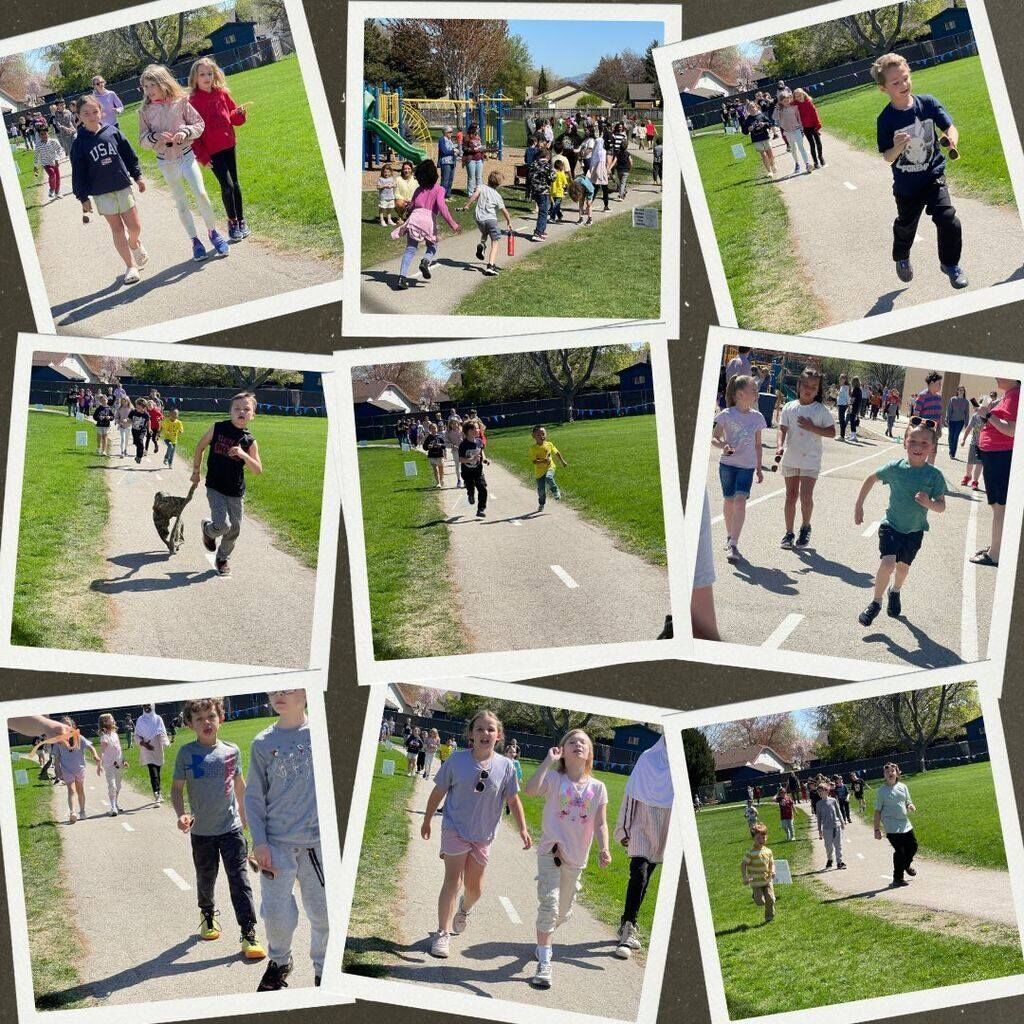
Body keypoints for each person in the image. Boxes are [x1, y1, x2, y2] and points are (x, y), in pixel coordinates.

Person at [421, 709, 530, 959]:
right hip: (455, 828)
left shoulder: (507, 766)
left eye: (491, 729)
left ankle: (464, 909)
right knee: (452, 881)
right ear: (471, 734)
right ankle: (442, 934)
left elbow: (513, 800)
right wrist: (427, 820)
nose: (485, 733)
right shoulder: (456, 761)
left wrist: (523, 828)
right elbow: (438, 793)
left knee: (475, 889)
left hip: (483, 835)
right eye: (479, 728)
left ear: (499, 736)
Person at [246, 688, 328, 990]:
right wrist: (260, 842)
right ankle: (280, 962)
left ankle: (324, 969)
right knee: (276, 914)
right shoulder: (262, 743)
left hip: (316, 845)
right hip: (276, 844)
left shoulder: (321, 735)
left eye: (288, 689)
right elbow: (254, 798)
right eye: (274, 689)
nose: (278, 695)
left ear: (306, 692)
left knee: (323, 913)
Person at [172, 698, 266, 960]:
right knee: (206, 878)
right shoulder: (186, 753)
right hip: (202, 833)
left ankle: (249, 933)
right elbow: (177, 789)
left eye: (211, 716)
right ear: (190, 723)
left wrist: (246, 817)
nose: (206, 722)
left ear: (220, 718)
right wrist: (182, 815)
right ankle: (207, 914)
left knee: (240, 881)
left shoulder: (231, 751)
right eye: (199, 719)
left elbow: (240, 786)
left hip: (231, 829)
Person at [523, 730, 610, 990]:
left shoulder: (598, 787)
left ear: (589, 753)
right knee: (549, 905)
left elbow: (601, 822)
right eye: (571, 741)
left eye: (583, 742)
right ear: (563, 750)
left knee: (562, 912)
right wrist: (547, 761)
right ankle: (545, 962)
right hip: (551, 850)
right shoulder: (554, 778)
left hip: (576, 857)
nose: (577, 745)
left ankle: (546, 937)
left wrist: (604, 848)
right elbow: (530, 790)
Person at [873, 52, 966, 289]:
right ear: (884, 88)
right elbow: (887, 156)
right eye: (896, 83)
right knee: (906, 226)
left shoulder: (928, 103)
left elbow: (950, 127)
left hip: (934, 176)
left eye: (905, 78)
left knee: (948, 219)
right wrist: (897, 147)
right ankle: (902, 257)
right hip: (907, 187)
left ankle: (950, 264)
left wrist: (951, 139)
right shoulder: (885, 120)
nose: (903, 84)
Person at [855, 419, 947, 626]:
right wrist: (859, 505)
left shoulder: (934, 476)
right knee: (888, 563)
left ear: (932, 448)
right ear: (905, 442)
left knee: (903, 569)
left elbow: (941, 506)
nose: (918, 447)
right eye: (913, 441)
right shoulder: (895, 468)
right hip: (891, 525)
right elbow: (871, 478)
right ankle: (876, 602)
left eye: (925, 443)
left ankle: (894, 591)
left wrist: (929, 503)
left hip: (915, 531)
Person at [138, 64, 230, 262]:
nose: (150, 90)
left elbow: (199, 124)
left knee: (201, 194)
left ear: (163, 83)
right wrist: (155, 137)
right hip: (166, 163)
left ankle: (213, 233)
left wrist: (185, 132)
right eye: (146, 87)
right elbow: (143, 140)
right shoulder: (144, 111)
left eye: (153, 85)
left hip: (187, 157)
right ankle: (195, 242)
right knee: (181, 202)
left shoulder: (181, 102)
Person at [70, 94, 148, 286]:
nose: (91, 116)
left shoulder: (112, 132)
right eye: (85, 113)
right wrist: (83, 198)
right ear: (78, 116)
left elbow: (129, 155)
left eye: (95, 111)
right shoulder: (79, 144)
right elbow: (78, 173)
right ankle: (130, 266)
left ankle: (134, 243)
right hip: (101, 192)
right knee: (117, 229)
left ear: (101, 112)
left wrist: (137, 176)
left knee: (135, 227)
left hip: (122, 186)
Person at [612, 735, 672, 958]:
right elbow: (631, 794)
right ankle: (628, 929)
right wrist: (624, 829)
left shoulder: (679, 765)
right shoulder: (647, 759)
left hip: (664, 827)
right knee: (639, 874)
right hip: (640, 824)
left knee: (646, 880)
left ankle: (629, 921)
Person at [192, 392, 262, 577]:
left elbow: (257, 470)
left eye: (246, 409)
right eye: (237, 408)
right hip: (215, 486)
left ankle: (222, 558)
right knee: (223, 525)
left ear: (253, 414)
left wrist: (244, 454)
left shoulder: (250, 441)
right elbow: (200, 447)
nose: (241, 412)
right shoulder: (218, 428)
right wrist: (196, 472)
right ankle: (209, 530)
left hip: (236, 491)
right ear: (230, 411)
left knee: (235, 528)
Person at [188, 56, 250, 240]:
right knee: (227, 186)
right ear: (195, 78)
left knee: (236, 185)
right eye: (202, 74)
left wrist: (239, 114)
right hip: (212, 151)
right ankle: (231, 222)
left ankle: (241, 220)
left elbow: (232, 117)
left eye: (209, 73)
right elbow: (193, 134)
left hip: (229, 145)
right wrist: (203, 157)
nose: (207, 77)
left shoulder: (221, 93)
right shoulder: (192, 101)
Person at [777, 367, 836, 549]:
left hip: (811, 459)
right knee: (791, 495)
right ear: (799, 385)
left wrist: (813, 428)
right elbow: (782, 429)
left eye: (813, 386)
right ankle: (788, 533)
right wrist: (779, 446)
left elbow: (832, 432)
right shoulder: (789, 407)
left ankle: (805, 526)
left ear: (818, 390)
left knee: (806, 496)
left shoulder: (820, 410)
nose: (809, 389)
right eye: (806, 385)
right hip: (791, 457)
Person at [713, 373, 766, 563]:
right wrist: (723, 446)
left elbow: (758, 445)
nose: (757, 393)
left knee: (740, 502)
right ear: (741, 394)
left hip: (747, 467)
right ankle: (729, 535)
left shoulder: (758, 417)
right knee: (729, 502)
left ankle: (734, 543)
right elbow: (714, 438)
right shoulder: (726, 415)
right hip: (727, 465)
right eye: (754, 390)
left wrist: (759, 468)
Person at [392, 159, 461, 290]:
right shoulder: (439, 189)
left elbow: (412, 205)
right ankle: (425, 261)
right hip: (429, 219)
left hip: (415, 218)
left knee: (410, 249)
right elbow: (442, 206)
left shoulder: (418, 189)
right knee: (432, 246)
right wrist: (453, 224)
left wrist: (407, 211)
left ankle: (402, 278)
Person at [972, 378, 1019, 567]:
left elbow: (1012, 430)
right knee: (998, 507)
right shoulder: (1009, 395)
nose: (997, 376)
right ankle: (996, 547)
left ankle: (995, 554)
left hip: (1001, 455)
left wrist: (988, 415)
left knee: (1000, 507)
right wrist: (987, 415)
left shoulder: (1015, 395)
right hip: (996, 455)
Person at [874, 762, 917, 888]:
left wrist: (910, 805)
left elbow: (908, 801)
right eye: (887, 772)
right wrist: (877, 829)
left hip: (905, 824)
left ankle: (906, 865)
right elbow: (877, 811)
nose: (890, 773)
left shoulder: (903, 787)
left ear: (897, 773)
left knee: (913, 846)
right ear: (884, 775)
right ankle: (897, 878)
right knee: (900, 851)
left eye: (893, 771)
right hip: (891, 826)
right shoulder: (881, 791)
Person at [462, 170, 513, 277]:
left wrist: (467, 205)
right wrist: (508, 221)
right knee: (495, 241)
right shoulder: (497, 195)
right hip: (491, 219)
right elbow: (504, 211)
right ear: (498, 184)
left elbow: (475, 195)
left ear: (488, 179)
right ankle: (490, 266)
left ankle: (482, 244)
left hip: (479, 219)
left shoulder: (481, 187)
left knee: (485, 232)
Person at [53, 717, 100, 823]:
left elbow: (91, 747)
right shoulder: (58, 741)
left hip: (79, 768)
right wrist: (58, 771)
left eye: (68, 725)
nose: (66, 727)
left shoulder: (79, 737)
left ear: (73, 726)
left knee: (80, 790)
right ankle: (72, 812)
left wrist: (95, 756)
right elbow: (56, 758)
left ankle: (82, 811)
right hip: (66, 769)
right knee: (71, 790)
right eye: (63, 725)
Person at [740, 823, 776, 923]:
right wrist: (745, 877)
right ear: (753, 839)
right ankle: (756, 896)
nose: (761, 840)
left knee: (771, 899)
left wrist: (773, 870)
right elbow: (743, 865)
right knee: (761, 902)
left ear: (766, 837)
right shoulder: (750, 852)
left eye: (763, 837)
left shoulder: (768, 851)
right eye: (758, 838)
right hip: (756, 881)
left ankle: (769, 917)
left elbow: (772, 863)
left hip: (767, 880)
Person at [530, 425, 568, 514]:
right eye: (538, 435)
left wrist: (562, 461)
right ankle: (542, 503)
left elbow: (557, 453)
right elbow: (535, 462)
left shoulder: (549, 444)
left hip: (550, 467)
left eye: (543, 434)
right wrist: (543, 461)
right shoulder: (533, 448)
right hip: (539, 472)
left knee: (549, 477)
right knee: (541, 491)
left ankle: (555, 490)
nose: (541, 436)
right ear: (534, 436)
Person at [135, 703, 169, 803]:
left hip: (157, 748)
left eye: (149, 705)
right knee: (153, 772)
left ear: (153, 706)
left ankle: (159, 792)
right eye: (144, 706)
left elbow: (161, 732)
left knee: (157, 772)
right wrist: (144, 744)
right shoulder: (140, 720)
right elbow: (137, 735)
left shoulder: (158, 719)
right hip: (146, 749)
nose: (147, 707)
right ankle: (157, 794)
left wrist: (165, 742)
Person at [774, 90, 811, 175]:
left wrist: (801, 130)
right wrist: (777, 108)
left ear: (790, 99)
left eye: (788, 100)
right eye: (784, 101)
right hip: (788, 131)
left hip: (797, 129)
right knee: (793, 149)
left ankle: (807, 164)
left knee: (801, 147)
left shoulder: (794, 107)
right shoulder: (780, 109)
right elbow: (774, 117)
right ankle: (797, 164)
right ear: (781, 101)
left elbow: (799, 119)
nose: (787, 102)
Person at [911, 372, 944, 463]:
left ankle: (929, 474)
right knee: (921, 454)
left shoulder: (939, 398)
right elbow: (916, 414)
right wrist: (915, 430)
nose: (940, 386)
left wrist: (939, 428)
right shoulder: (922, 396)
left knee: (933, 453)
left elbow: (939, 415)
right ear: (932, 383)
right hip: (924, 431)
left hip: (934, 431)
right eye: (939, 383)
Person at [458, 420, 489, 518]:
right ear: (468, 431)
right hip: (467, 472)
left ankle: (481, 509)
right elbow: (461, 459)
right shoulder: (463, 445)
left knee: (483, 489)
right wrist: (471, 459)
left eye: (478, 428)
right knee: (470, 488)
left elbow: (481, 452)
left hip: (478, 471)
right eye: (475, 428)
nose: (477, 430)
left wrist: (484, 459)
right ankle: (470, 495)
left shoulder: (479, 441)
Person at [97, 712, 125, 816]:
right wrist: (99, 764)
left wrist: (124, 760)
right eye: (111, 719)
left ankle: (116, 803)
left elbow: (119, 749)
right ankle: (113, 807)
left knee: (118, 786)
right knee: (112, 785)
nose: (113, 720)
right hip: (109, 765)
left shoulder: (115, 734)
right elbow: (102, 752)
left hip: (119, 763)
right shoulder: (104, 737)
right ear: (105, 722)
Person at [740, 100, 778, 179]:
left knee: (770, 154)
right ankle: (769, 171)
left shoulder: (762, 116)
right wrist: (748, 129)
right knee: (763, 155)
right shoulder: (747, 120)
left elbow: (770, 124)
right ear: (747, 110)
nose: (752, 109)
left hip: (765, 137)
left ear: (756, 107)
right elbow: (744, 132)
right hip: (756, 139)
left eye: (753, 107)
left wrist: (764, 124)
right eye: (750, 108)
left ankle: (773, 165)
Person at [816, 782, 847, 869]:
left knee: (838, 845)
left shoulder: (833, 801)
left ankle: (839, 862)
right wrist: (819, 830)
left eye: (821, 791)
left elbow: (838, 812)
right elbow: (819, 818)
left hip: (836, 826)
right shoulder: (818, 804)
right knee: (828, 846)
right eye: (818, 791)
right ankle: (830, 859)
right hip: (826, 829)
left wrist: (842, 821)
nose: (819, 793)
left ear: (826, 791)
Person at [528, 142, 555, 242]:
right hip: (543, 191)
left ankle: (542, 230)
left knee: (542, 210)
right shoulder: (547, 166)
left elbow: (529, 176)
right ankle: (538, 232)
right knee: (543, 212)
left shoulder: (533, 164)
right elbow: (553, 177)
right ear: (547, 156)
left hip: (534, 191)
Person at [793, 88, 825, 169]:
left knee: (818, 142)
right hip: (806, 127)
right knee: (812, 144)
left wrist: (818, 124)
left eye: (800, 95)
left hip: (814, 126)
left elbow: (815, 113)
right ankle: (815, 162)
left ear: (803, 94)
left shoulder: (809, 103)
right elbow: (786, 103)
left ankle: (820, 157)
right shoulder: (795, 105)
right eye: (796, 96)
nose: (799, 97)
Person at [961, 398, 987, 490]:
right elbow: (968, 428)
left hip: (984, 445)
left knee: (979, 463)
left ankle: (975, 481)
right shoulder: (975, 416)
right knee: (970, 462)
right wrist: (963, 439)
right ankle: (968, 476)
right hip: (974, 443)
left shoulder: (989, 418)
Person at [33, 126, 65, 200]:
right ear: (39, 135)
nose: (44, 136)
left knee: (57, 178)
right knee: (52, 174)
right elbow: (36, 156)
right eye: (41, 134)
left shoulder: (53, 141)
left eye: (45, 133)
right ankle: (51, 189)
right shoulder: (38, 145)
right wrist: (35, 166)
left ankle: (57, 192)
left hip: (54, 162)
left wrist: (57, 159)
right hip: (46, 163)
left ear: (48, 133)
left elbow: (60, 149)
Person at [944, 385, 970, 459]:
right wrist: (947, 419)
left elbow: (967, 413)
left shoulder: (966, 402)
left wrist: (966, 424)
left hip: (960, 422)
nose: (961, 391)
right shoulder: (952, 399)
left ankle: (952, 453)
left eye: (962, 390)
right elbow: (949, 410)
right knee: (950, 437)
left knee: (955, 437)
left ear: (964, 391)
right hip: (952, 421)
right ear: (957, 391)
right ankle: (950, 449)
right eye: (960, 390)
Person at [462, 122, 485, 197]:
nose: (478, 129)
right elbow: (464, 148)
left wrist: (482, 149)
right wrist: (472, 150)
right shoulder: (467, 137)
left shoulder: (478, 136)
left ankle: (479, 192)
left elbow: (480, 145)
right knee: (471, 177)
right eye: (477, 128)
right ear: (473, 129)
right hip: (471, 159)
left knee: (479, 177)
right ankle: (470, 193)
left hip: (479, 159)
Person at [423, 422, 448, 487]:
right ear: (429, 429)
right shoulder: (428, 437)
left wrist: (440, 445)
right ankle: (438, 482)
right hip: (432, 455)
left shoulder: (440, 437)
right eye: (432, 428)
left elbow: (445, 445)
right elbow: (424, 447)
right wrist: (428, 446)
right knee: (435, 469)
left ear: (437, 429)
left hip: (439, 455)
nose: (433, 430)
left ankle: (442, 479)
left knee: (441, 468)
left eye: (434, 428)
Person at [128, 397, 150, 463]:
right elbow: (129, 419)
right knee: (136, 443)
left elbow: (149, 421)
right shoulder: (133, 412)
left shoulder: (146, 415)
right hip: (134, 430)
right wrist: (126, 420)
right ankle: (140, 450)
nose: (137, 409)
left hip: (142, 430)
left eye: (139, 408)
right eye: (136, 407)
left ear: (143, 408)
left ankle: (139, 456)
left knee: (140, 442)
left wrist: (150, 429)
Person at [438, 125, 458, 197]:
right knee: (445, 180)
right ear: (445, 132)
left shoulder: (450, 140)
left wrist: (456, 151)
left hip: (452, 162)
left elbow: (452, 149)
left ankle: (448, 195)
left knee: (450, 179)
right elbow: (444, 151)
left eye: (452, 132)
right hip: (445, 162)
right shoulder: (442, 139)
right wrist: (453, 151)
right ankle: (441, 196)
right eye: (450, 132)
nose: (451, 134)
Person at [375, 162, 397, 226]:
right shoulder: (381, 179)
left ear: (390, 172)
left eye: (388, 172)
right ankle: (382, 220)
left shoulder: (392, 178)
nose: (386, 174)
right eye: (385, 172)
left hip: (390, 197)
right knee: (382, 208)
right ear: (382, 172)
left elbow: (395, 184)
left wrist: (392, 185)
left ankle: (389, 219)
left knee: (389, 208)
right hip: (383, 197)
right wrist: (384, 186)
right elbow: (378, 187)